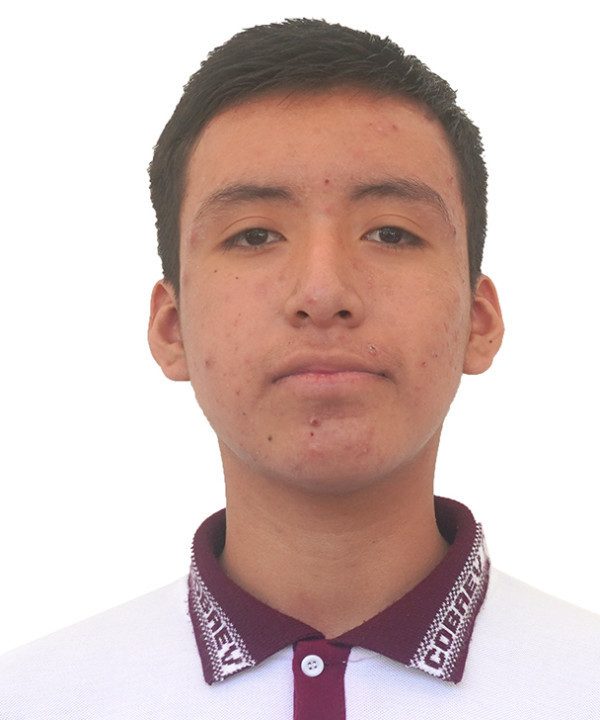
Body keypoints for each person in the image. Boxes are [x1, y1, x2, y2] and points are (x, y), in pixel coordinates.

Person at [1, 18, 598, 719]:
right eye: (254, 234)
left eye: (391, 233)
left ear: (479, 320)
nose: (322, 292)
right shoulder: (34, 697)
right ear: (172, 328)